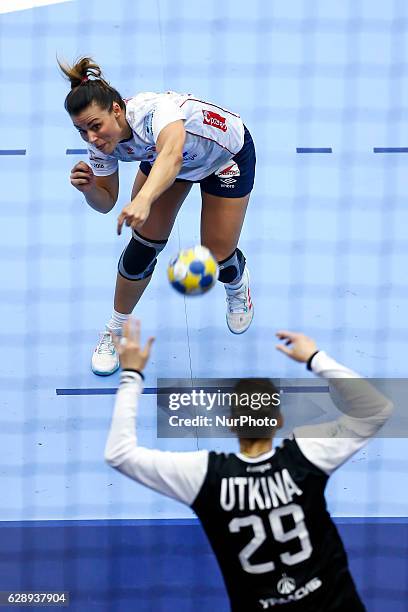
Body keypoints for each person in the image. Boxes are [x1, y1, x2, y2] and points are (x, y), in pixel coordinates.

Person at [105, 318, 393, 612]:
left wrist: (131, 375)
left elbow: (119, 454)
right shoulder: (306, 457)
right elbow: (376, 409)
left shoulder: (206, 476)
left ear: (231, 423)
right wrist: (314, 358)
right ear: (278, 421)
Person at [59, 57, 255, 376]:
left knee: (218, 255)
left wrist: (145, 199)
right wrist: (90, 188)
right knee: (143, 246)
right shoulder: (100, 145)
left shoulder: (154, 111)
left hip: (222, 157)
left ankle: (237, 286)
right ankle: (115, 330)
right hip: (166, 162)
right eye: (82, 131)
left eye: (95, 126)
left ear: (117, 110)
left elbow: (172, 155)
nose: (91, 138)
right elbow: (106, 203)